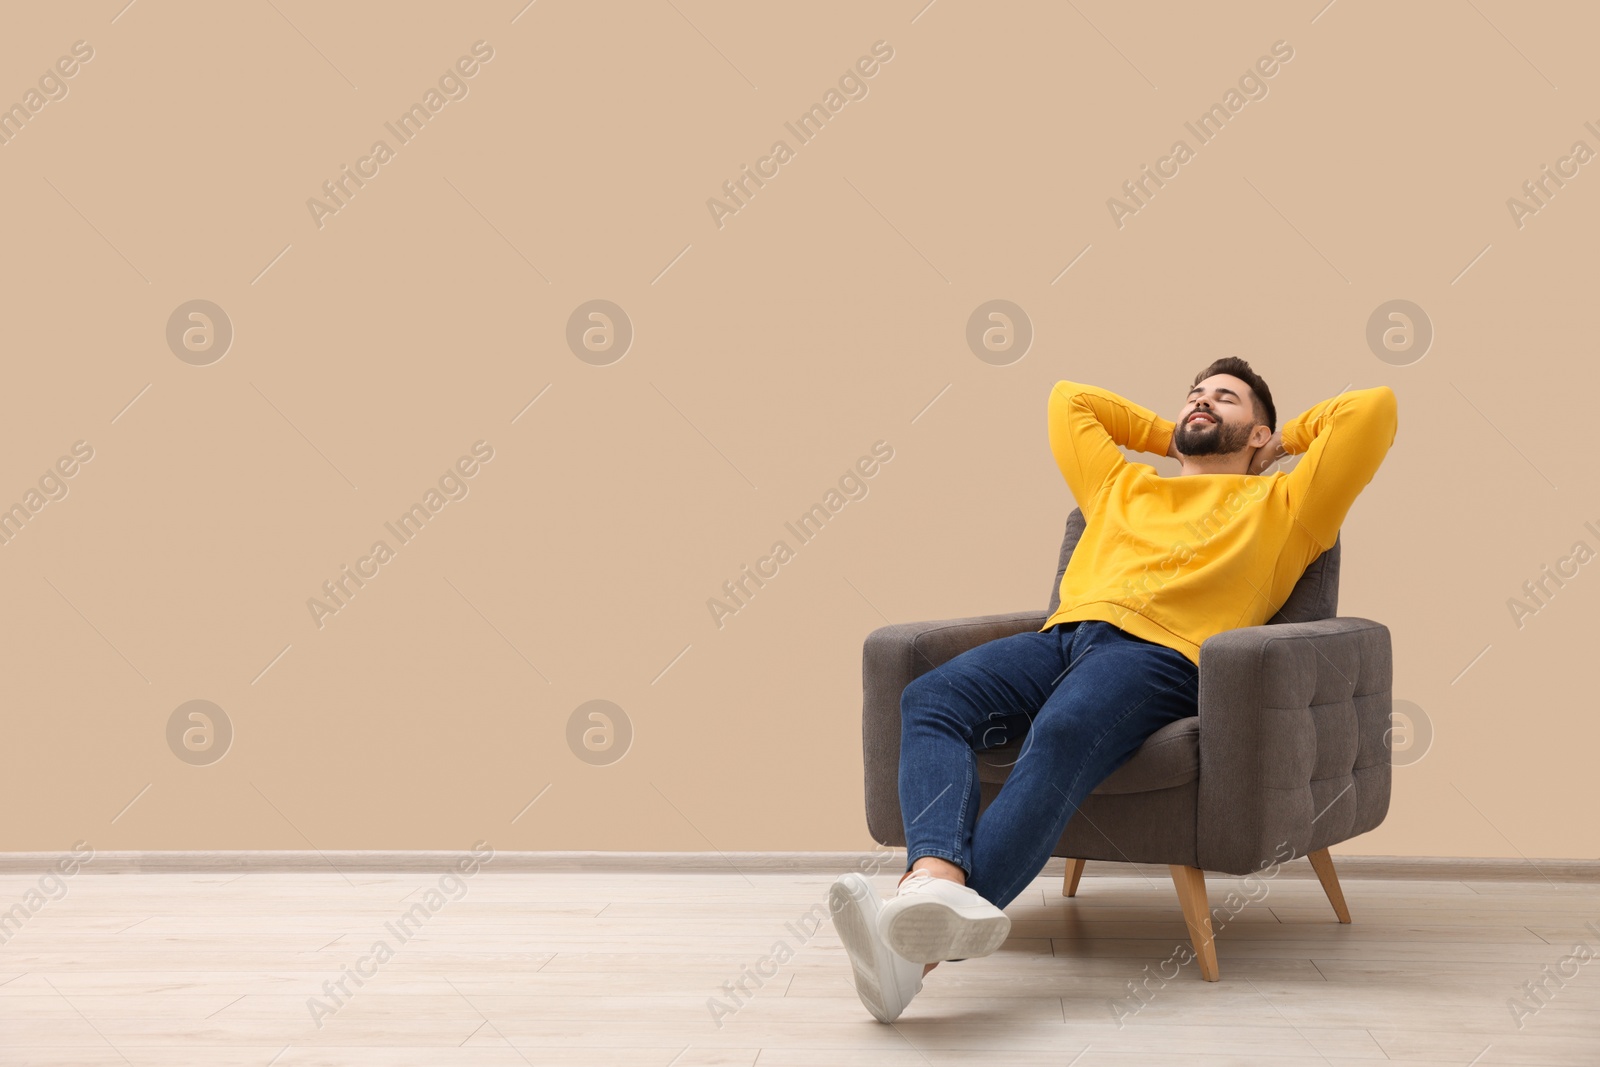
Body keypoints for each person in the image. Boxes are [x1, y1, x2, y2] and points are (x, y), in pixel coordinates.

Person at [830, 357, 1398, 1022]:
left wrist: (1285, 442)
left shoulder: (1289, 504)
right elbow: (1069, 400)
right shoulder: (1121, 484)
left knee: (1064, 730)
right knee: (929, 699)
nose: (1202, 402)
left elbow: (1374, 408)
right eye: (1195, 395)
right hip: (1062, 637)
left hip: (1160, 654)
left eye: (1225, 398)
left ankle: (908, 955)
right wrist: (1171, 433)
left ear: (1257, 434)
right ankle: (933, 881)